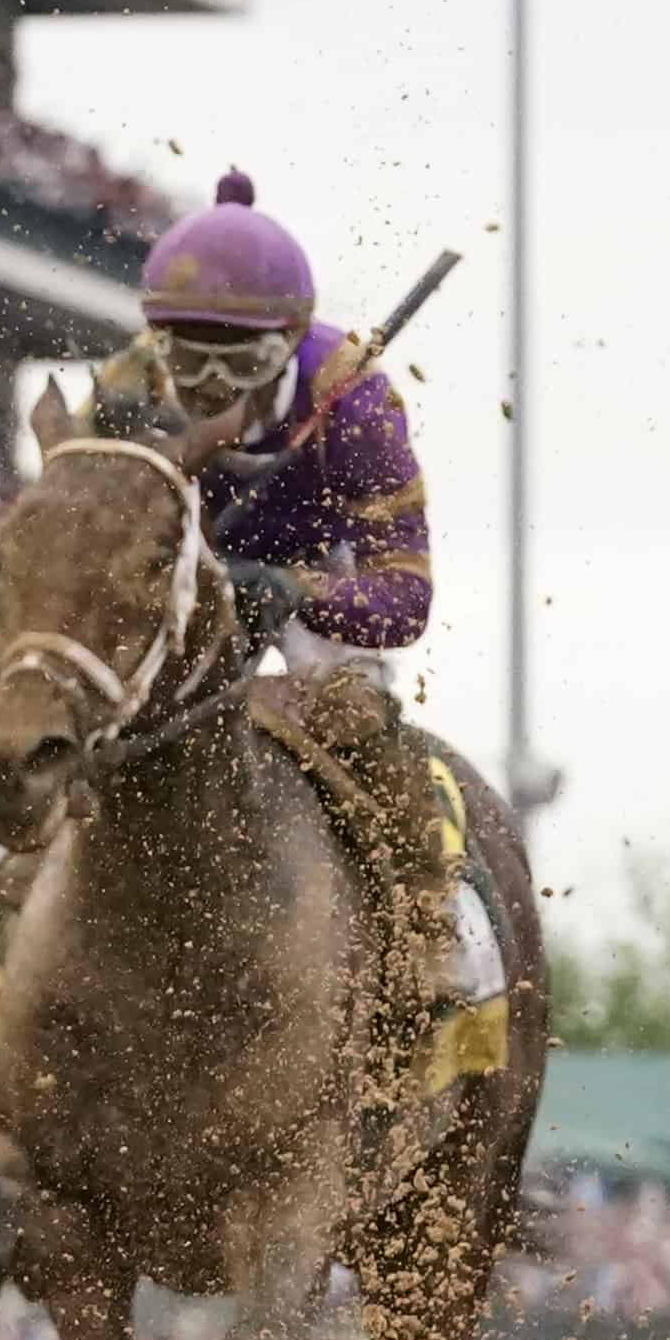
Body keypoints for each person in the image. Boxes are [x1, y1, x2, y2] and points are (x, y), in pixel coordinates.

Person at [129, 169, 466, 1035]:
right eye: (185, 355)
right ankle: (18, 893)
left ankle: (425, 928)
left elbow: (405, 597)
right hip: (185, 562)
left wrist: (293, 594)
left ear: (285, 343)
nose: (206, 384)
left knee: (352, 708)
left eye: (233, 360)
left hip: (323, 572)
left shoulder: (352, 397)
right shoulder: (129, 393)